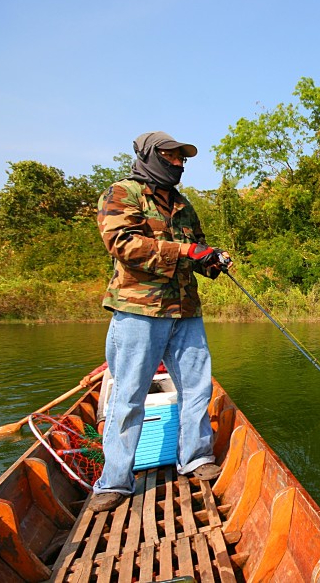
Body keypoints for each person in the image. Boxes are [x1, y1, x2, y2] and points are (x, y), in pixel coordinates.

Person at [89, 131, 230, 512]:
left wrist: (210, 260)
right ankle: (115, 480)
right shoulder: (121, 194)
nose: (180, 163)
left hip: (185, 310)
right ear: (150, 155)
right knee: (129, 396)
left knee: (198, 390)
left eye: (183, 159)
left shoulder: (183, 204)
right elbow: (123, 244)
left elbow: (196, 248)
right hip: (139, 312)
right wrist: (185, 249)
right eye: (172, 157)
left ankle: (196, 458)